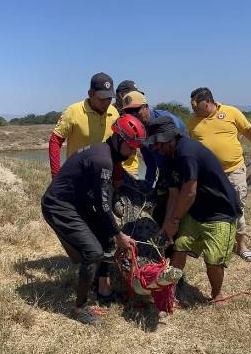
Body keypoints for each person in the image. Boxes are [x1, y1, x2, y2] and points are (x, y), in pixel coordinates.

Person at [41, 114, 147, 325]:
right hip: (59, 206)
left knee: (105, 238)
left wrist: (113, 234)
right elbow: (103, 205)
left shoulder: (105, 152)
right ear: (118, 139)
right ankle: (79, 307)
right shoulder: (103, 160)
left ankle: (104, 293)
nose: (134, 152)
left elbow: (101, 202)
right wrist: (120, 235)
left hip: (76, 203)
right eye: (131, 147)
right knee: (93, 252)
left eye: (137, 147)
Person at [147, 116, 242, 301]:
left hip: (220, 211)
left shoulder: (187, 152)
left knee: (214, 259)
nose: (154, 148)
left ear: (169, 138)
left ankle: (217, 295)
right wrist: (168, 225)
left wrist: (175, 220)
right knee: (180, 246)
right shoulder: (167, 159)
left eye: (156, 143)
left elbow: (189, 192)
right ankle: (169, 290)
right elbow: (174, 195)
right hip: (196, 210)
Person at [186, 87, 251, 263]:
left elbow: (250, 132)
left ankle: (241, 246)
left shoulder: (231, 112)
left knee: (237, 208)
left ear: (208, 102)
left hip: (233, 171)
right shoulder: (192, 122)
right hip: (207, 176)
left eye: (195, 104)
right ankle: (202, 244)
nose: (193, 108)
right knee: (205, 208)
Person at [48, 72, 139, 179]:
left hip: (104, 175)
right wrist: (56, 175)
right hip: (78, 174)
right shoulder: (73, 112)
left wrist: (117, 177)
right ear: (90, 93)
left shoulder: (114, 113)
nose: (106, 103)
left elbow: (117, 149)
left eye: (109, 99)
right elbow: (55, 141)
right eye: (102, 99)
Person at [119, 90, 188, 188]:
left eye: (135, 110)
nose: (133, 116)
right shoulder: (136, 128)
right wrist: (148, 183)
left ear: (146, 107)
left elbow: (181, 149)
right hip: (164, 168)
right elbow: (148, 159)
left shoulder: (166, 121)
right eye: (128, 112)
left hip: (180, 167)